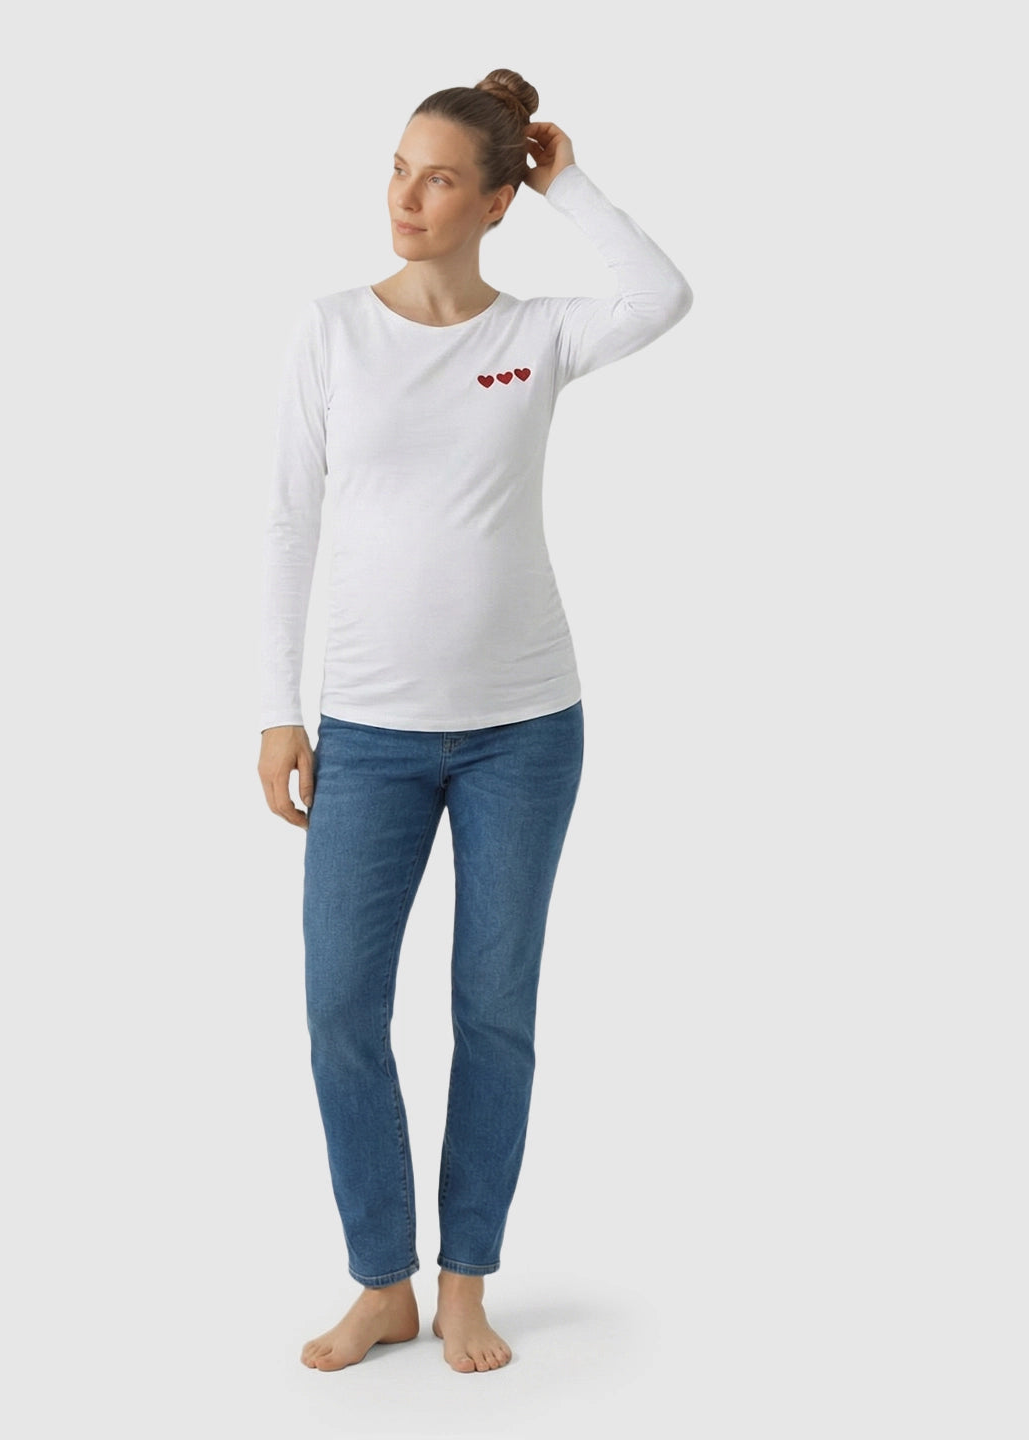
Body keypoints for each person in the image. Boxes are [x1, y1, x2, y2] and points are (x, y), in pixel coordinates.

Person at [256, 67, 693, 1374]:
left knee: (493, 1011)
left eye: (442, 178)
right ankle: (381, 1281)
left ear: (496, 201)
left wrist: (571, 180)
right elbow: (288, 525)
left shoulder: (537, 335)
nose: (407, 197)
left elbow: (662, 296)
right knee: (342, 1009)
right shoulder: (332, 331)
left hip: (525, 730)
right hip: (370, 734)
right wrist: (277, 712)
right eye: (399, 168)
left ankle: (465, 1282)